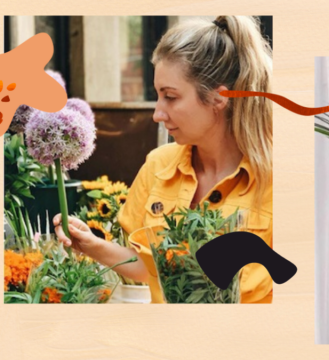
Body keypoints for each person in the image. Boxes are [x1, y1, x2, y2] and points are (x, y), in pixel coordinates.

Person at [53, 15, 273, 304]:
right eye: (157, 95)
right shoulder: (157, 166)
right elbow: (149, 268)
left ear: (219, 98)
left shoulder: (276, 180)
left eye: (170, 97)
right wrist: (92, 246)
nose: (157, 113)